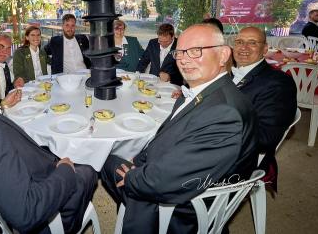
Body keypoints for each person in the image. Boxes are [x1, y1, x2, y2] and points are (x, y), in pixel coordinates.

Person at [101, 24, 257, 233]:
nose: (183, 59)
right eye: (180, 52)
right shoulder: (208, 91)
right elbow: (170, 137)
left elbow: (161, 181)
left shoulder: (224, 114)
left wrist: (132, 177)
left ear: (223, 55)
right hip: (176, 170)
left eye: (195, 51)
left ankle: (136, 212)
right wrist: (139, 160)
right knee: (122, 158)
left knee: (105, 161)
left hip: (183, 210)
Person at [0, 37, 97, 234]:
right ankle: (67, 224)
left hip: (24, 171)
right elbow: (26, 213)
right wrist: (64, 170)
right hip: (42, 208)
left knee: (55, 149)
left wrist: (2, 105)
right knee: (89, 171)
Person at [232, 27, 297, 189]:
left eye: (252, 43)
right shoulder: (232, 73)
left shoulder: (278, 83)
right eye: (239, 42)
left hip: (241, 159)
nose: (243, 47)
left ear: (265, 49)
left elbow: (265, 138)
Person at [0, 31, 24, 99]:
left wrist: (15, 84)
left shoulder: (5, 64)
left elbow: (7, 88)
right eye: (1, 47)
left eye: (8, 48)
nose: (5, 52)